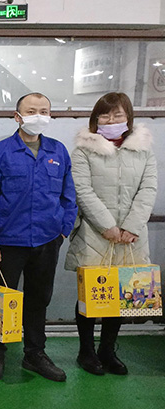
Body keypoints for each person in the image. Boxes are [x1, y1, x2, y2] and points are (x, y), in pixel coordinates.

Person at [0, 92, 77, 382]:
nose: (39, 116)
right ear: (18, 117)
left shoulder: (58, 151)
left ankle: (35, 353)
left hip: (47, 240)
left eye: (44, 111)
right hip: (8, 242)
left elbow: (69, 196)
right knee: (1, 299)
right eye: (32, 111)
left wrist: (63, 229)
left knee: (39, 299)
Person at [64, 92, 157, 376]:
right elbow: (82, 190)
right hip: (95, 233)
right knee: (92, 293)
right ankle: (86, 351)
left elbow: (149, 188)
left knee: (119, 294)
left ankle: (107, 350)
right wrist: (107, 226)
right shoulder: (83, 150)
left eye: (118, 114)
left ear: (128, 117)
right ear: (95, 119)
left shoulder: (144, 150)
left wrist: (131, 226)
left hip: (131, 236)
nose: (111, 120)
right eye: (104, 115)